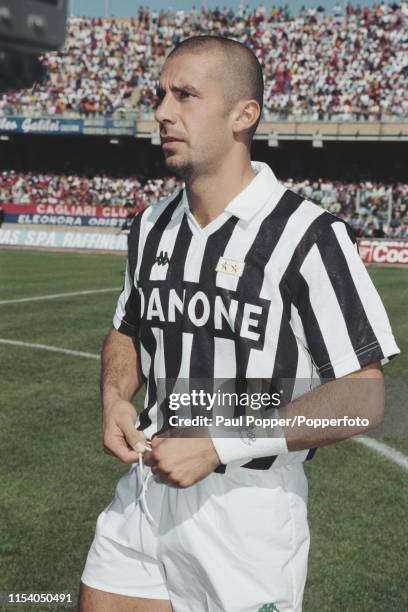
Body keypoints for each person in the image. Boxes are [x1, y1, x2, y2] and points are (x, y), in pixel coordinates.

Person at [79, 36, 399, 612]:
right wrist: (113, 398)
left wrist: (218, 445)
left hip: (247, 511)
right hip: (148, 491)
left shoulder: (308, 235)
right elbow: (127, 329)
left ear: (243, 115)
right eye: (160, 94)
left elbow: (364, 398)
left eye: (185, 96)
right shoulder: (152, 225)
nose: (160, 112)